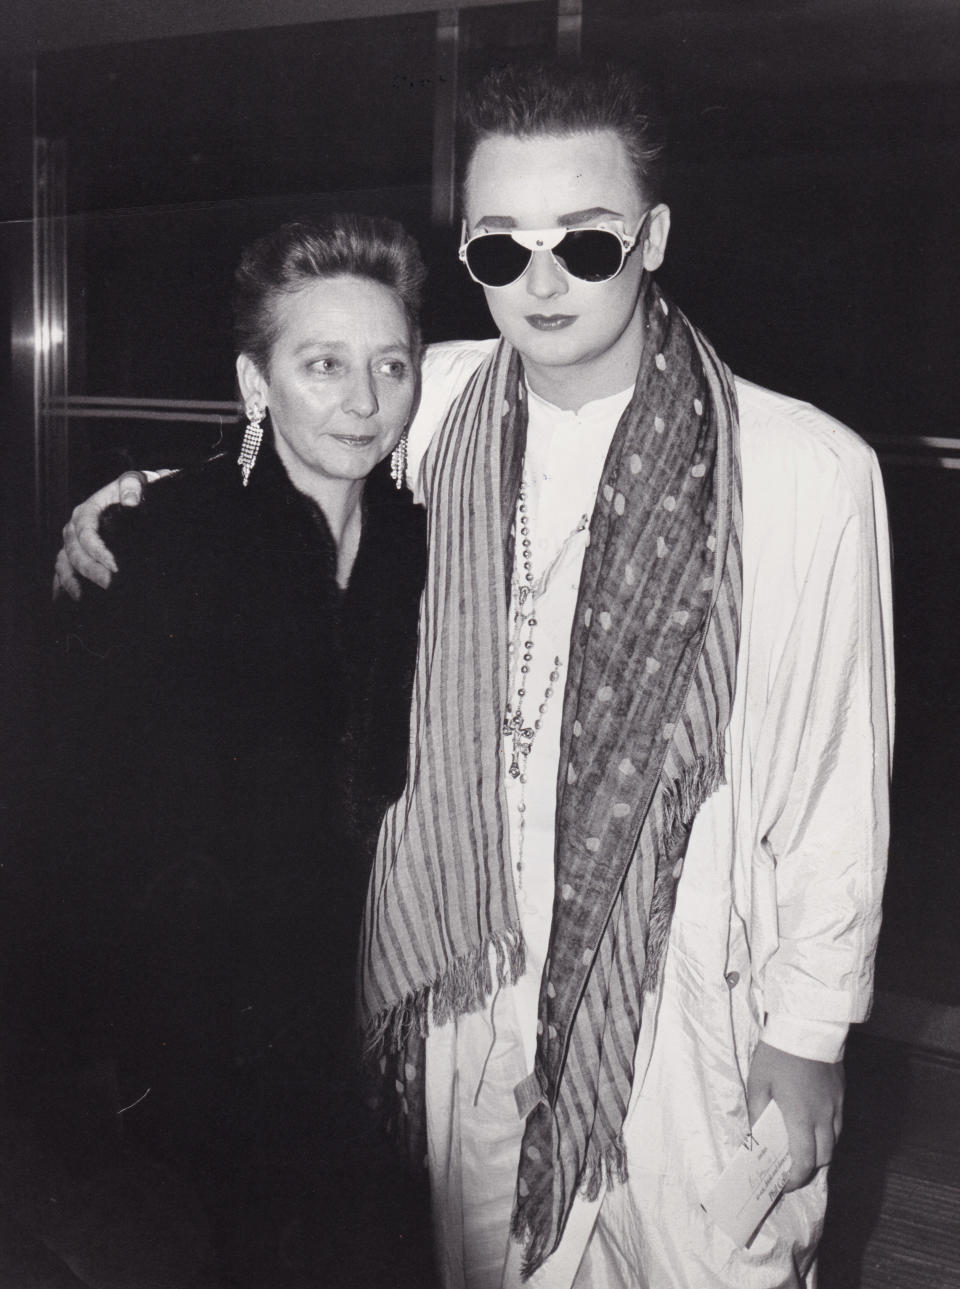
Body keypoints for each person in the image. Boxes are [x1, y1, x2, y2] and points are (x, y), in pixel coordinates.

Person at [54, 61, 893, 1289]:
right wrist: (130, 504)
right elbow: (294, 424)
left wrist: (812, 1028)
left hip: (683, 982)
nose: (542, 281)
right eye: (502, 250)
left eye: (586, 244)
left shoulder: (806, 467)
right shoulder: (436, 399)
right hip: (467, 963)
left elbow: (834, 773)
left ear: (651, 238)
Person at [40, 213, 432, 1286]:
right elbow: (83, 807)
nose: (363, 399)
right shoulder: (162, 540)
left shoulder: (429, 546)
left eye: (389, 365)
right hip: (205, 1011)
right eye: (323, 364)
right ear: (256, 385)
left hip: (378, 992)